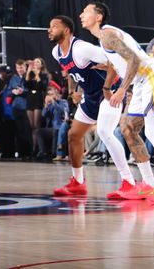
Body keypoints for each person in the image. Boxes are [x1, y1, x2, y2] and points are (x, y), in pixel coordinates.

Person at [81, 2, 154, 203]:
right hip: (140, 82)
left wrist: (121, 89)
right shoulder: (103, 40)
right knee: (128, 128)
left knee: (153, 132)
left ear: (98, 16)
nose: (81, 14)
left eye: (86, 11)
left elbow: (134, 60)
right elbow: (119, 63)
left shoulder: (107, 34)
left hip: (152, 77)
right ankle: (149, 184)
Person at [48, 16, 137, 199]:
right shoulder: (56, 52)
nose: (49, 30)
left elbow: (114, 60)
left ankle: (129, 182)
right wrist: (72, 91)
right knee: (74, 136)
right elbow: (70, 71)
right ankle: (78, 183)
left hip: (108, 93)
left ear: (66, 30)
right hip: (89, 97)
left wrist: (107, 87)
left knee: (105, 133)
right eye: (49, 27)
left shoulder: (81, 48)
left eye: (54, 27)